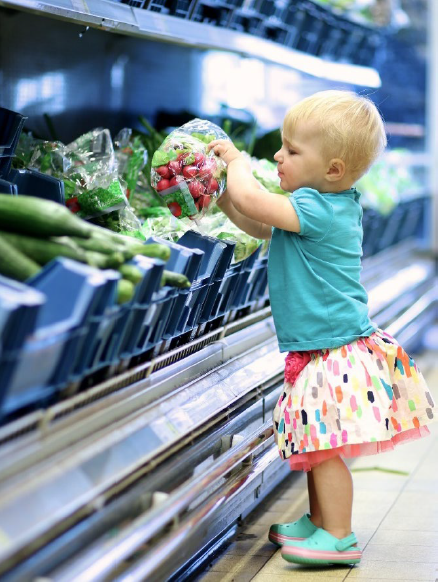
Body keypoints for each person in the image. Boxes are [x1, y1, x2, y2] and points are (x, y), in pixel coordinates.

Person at [207, 90, 436, 568]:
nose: (278, 155)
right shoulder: (314, 206)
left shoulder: (318, 208)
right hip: (321, 346)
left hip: (335, 348)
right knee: (316, 439)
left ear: (332, 169)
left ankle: (338, 535)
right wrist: (224, 199)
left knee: (325, 446)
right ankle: (318, 520)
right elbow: (256, 222)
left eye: (291, 150)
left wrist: (233, 161)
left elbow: (254, 197)